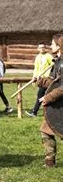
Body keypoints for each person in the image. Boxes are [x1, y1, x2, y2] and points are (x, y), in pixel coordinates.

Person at [35, 34, 62, 167]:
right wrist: (42, 81)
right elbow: (55, 82)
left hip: (60, 102)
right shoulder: (57, 62)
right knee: (46, 130)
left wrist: (48, 97)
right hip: (58, 104)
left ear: (59, 46)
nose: (51, 46)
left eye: (53, 44)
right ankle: (49, 161)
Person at [26, 43, 54, 117]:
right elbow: (36, 68)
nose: (42, 49)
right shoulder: (38, 57)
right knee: (42, 95)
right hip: (40, 79)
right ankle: (36, 112)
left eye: (43, 47)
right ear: (38, 49)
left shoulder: (48, 56)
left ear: (45, 48)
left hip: (47, 80)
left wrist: (50, 75)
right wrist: (34, 77)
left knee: (42, 95)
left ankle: (35, 112)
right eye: (40, 47)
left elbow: (53, 64)